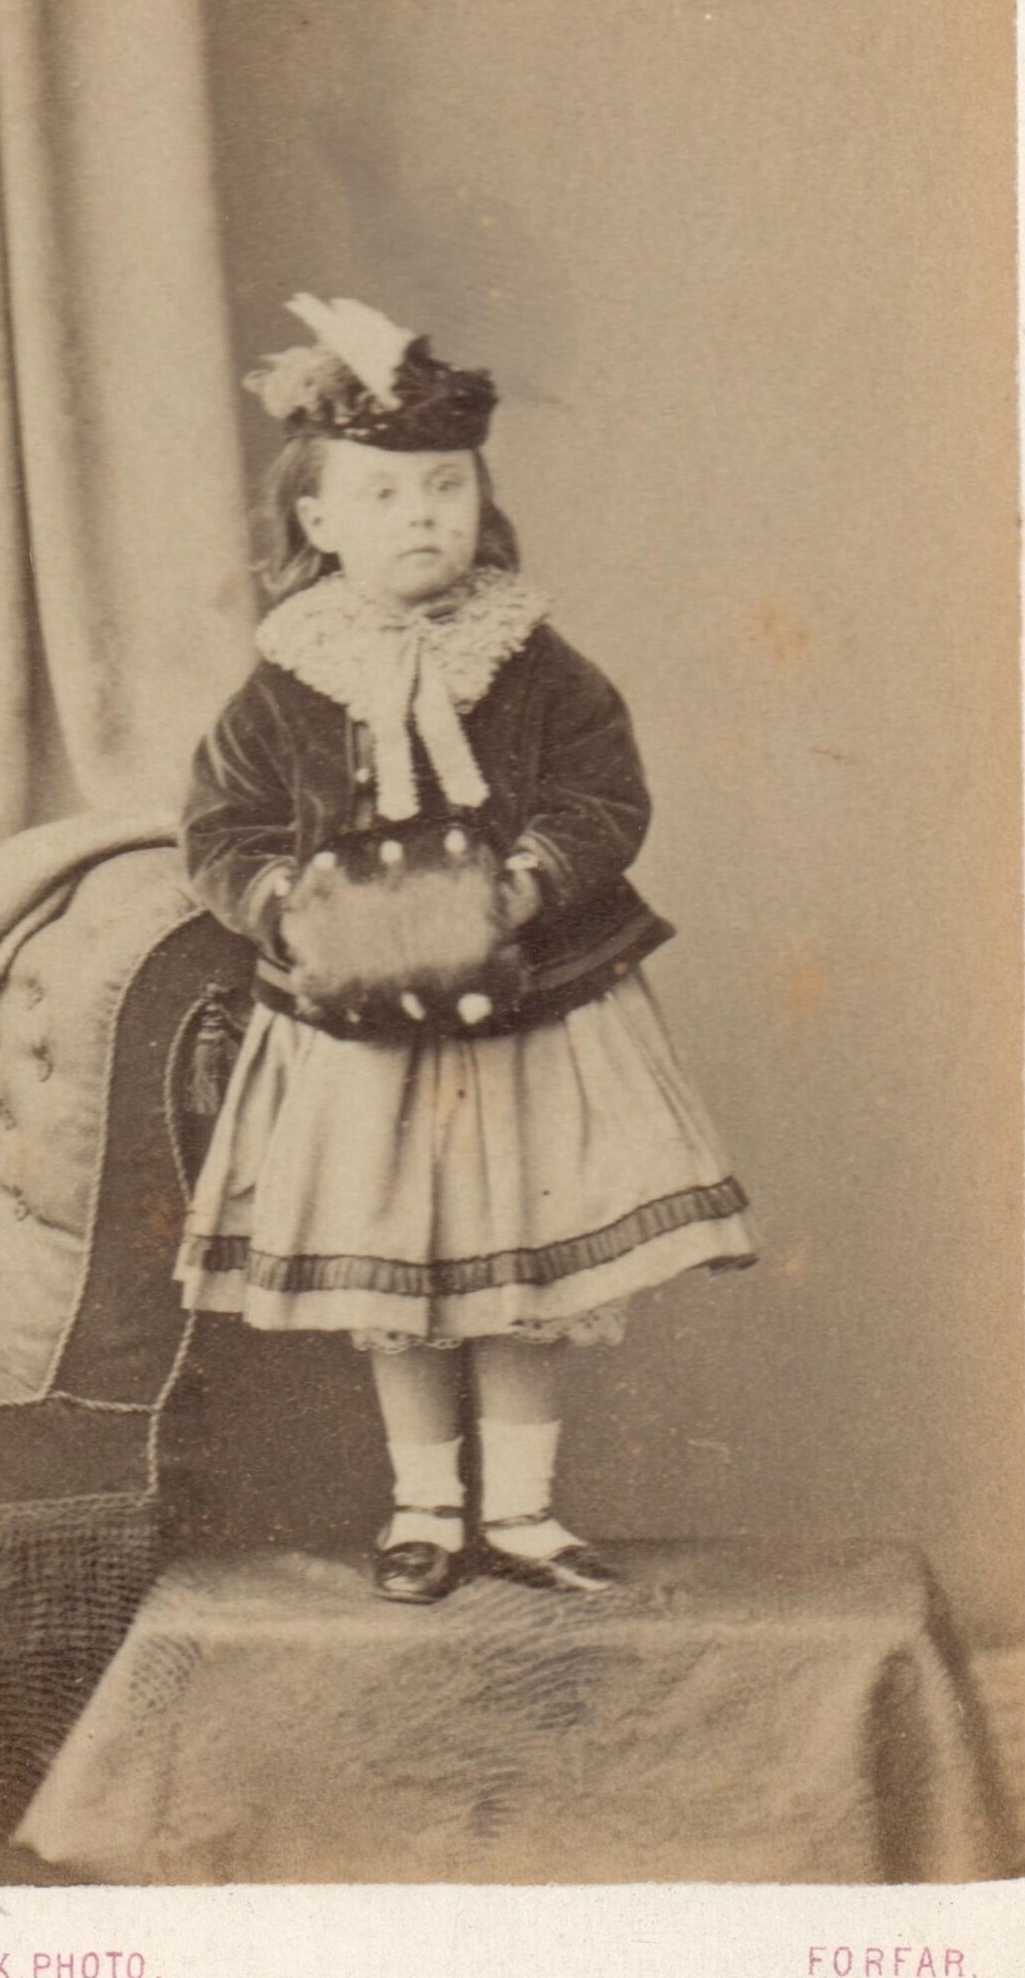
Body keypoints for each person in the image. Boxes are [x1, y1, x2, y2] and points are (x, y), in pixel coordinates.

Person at [175, 294, 756, 1604]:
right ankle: (426, 1507)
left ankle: (528, 1513)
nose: (421, 515)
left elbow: (603, 797)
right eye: (384, 495)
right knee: (400, 1276)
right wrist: (287, 907)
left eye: (444, 489)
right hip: (357, 1029)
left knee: (523, 1275)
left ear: (480, 506)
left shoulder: (537, 666)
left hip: (532, 1007)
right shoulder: (283, 683)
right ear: (320, 522)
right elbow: (218, 830)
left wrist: (527, 880)